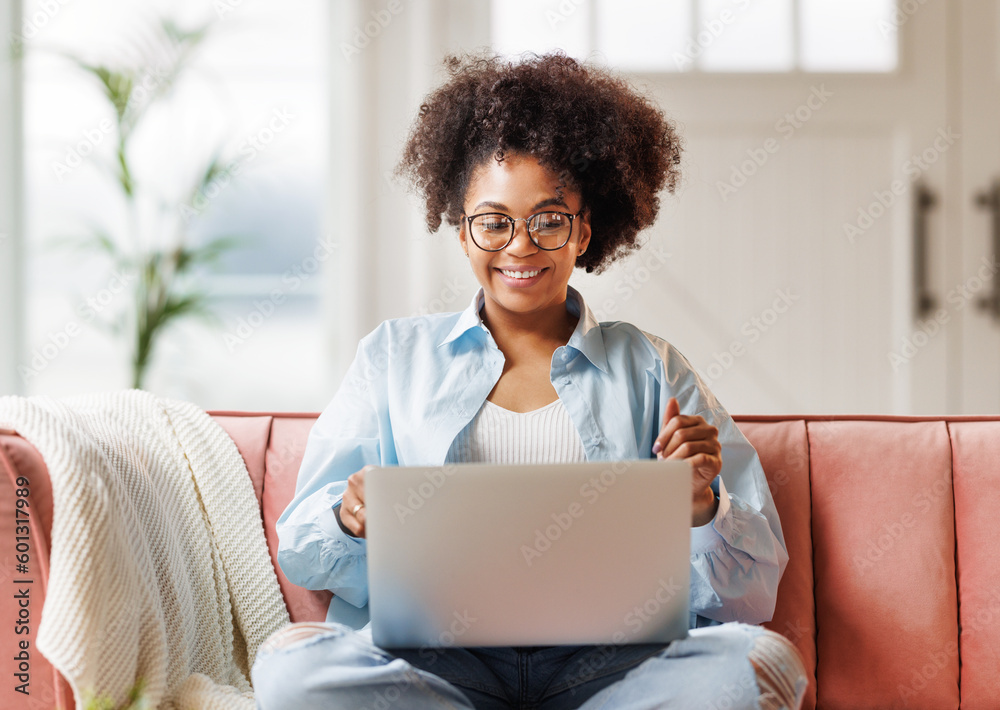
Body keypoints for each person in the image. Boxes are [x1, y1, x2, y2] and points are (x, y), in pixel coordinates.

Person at [252, 52, 807, 710]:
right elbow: (304, 553)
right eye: (494, 221)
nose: (520, 246)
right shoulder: (392, 359)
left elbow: (755, 591)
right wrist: (348, 521)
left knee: (761, 665)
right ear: (459, 231)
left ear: (585, 231)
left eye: (548, 220)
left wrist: (703, 510)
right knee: (290, 672)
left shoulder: (652, 367)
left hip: (613, 671)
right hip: (439, 667)